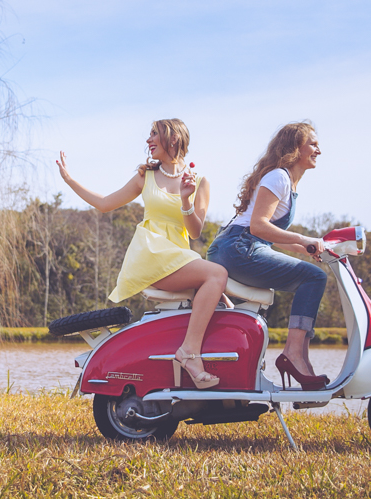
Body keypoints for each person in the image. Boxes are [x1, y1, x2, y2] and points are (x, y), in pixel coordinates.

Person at [56, 119, 228, 389]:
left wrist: (186, 199)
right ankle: (189, 354)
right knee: (218, 274)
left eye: (153, 135)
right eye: (148, 135)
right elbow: (104, 204)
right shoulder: (145, 176)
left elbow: (195, 232)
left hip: (178, 258)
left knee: (222, 292)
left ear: (173, 140)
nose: (148, 141)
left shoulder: (200, 181)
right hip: (151, 254)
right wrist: (70, 180)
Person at [206, 122, 330, 391]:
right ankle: (294, 355)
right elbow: (258, 227)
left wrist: (314, 248)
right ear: (295, 148)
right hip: (239, 246)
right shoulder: (279, 177)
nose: (319, 149)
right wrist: (302, 238)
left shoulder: (287, 182)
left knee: (313, 275)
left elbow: (269, 235)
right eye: (313, 144)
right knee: (314, 278)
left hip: (239, 245)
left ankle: (298, 357)